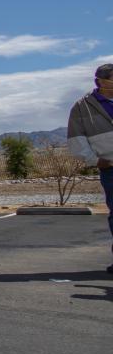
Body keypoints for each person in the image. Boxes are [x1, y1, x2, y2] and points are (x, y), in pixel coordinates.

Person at [67, 63, 113, 274]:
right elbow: (77, 139)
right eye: (111, 78)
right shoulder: (83, 107)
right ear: (100, 81)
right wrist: (96, 161)